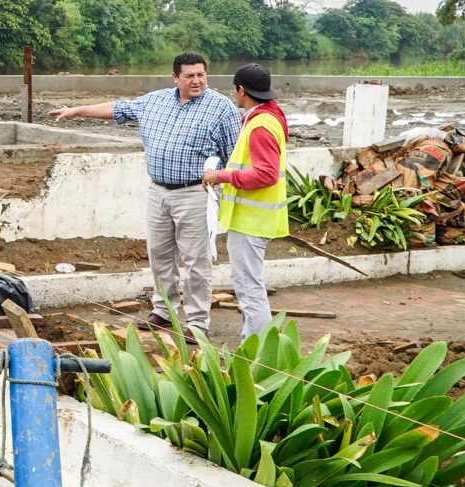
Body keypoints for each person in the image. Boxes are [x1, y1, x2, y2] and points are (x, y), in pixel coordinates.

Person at [49, 52, 240, 338]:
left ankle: (197, 321)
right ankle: (164, 310)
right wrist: (78, 111)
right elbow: (119, 109)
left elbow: (234, 154)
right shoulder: (156, 100)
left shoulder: (221, 108)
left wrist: (221, 180)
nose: (196, 80)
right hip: (159, 190)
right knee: (159, 255)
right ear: (175, 77)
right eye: (189, 76)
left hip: (195, 193)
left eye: (201, 74)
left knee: (195, 260)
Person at [202, 63, 289, 341]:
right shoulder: (267, 116)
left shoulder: (261, 125)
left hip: (251, 221)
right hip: (255, 219)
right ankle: (251, 346)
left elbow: (266, 174)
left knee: (249, 290)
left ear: (241, 90)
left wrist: (221, 175)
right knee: (250, 287)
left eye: (235, 90)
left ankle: (257, 355)